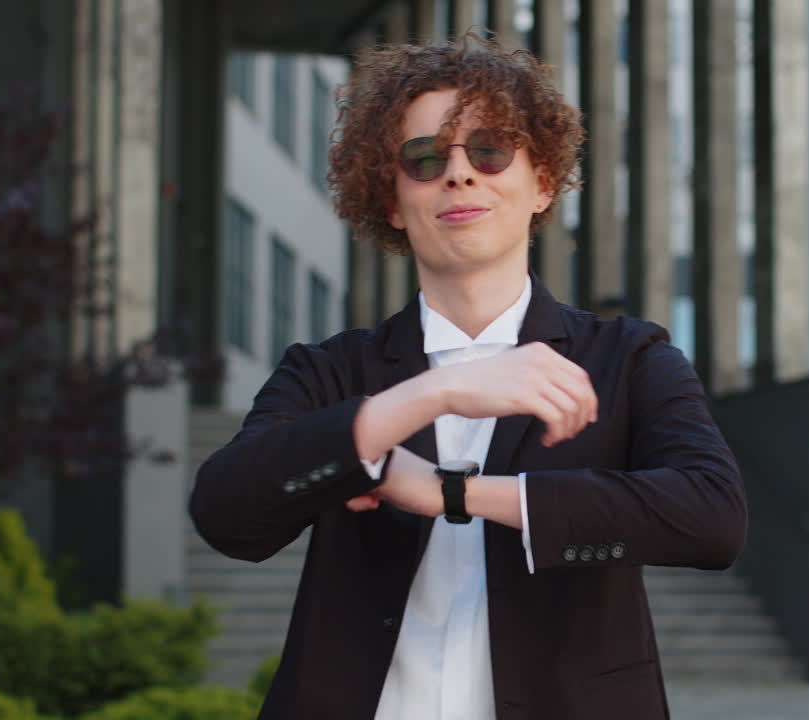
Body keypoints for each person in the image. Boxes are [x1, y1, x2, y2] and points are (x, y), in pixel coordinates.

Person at [190, 34, 747, 720]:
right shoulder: (331, 371)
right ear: (392, 202)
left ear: (542, 183)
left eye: (489, 150)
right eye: (424, 160)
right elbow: (225, 514)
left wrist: (455, 493)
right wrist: (429, 395)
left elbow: (713, 518)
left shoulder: (627, 356)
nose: (459, 174)